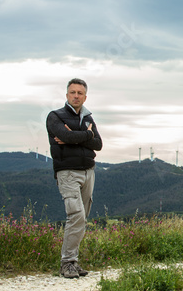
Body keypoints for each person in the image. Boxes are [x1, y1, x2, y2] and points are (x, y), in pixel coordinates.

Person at [46, 78, 102, 278]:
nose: (76, 96)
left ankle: (73, 262)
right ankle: (67, 263)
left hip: (88, 171)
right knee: (75, 215)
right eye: (72, 92)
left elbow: (98, 144)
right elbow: (67, 137)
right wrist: (86, 135)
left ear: (85, 97)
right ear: (67, 95)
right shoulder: (55, 117)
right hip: (68, 172)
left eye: (80, 93)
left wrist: (77, 137)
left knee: (82, 218)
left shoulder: (88, 118)